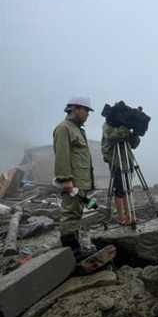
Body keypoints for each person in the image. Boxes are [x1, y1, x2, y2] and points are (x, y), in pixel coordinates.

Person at [54, 96, 95, 262]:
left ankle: (75, 248)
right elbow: (62, 156)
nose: (87, 114)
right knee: (70, 213)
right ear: (75, 109)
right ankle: (72, 251)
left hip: (80, 180)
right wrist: (66, 179)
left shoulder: (77, 129)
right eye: (85, 110)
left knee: (76, 213)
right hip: (73, 181)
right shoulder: (64, 128)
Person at [101, 119, 140, 225]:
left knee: (127, 188)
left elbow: (133, 144)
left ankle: (129, 216)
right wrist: (124, 127)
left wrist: (135, 134)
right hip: (116, 160)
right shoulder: (108, 125)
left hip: (126, 160)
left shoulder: (124, 125)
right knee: (119, 189)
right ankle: (121, 217)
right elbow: (113, 137)